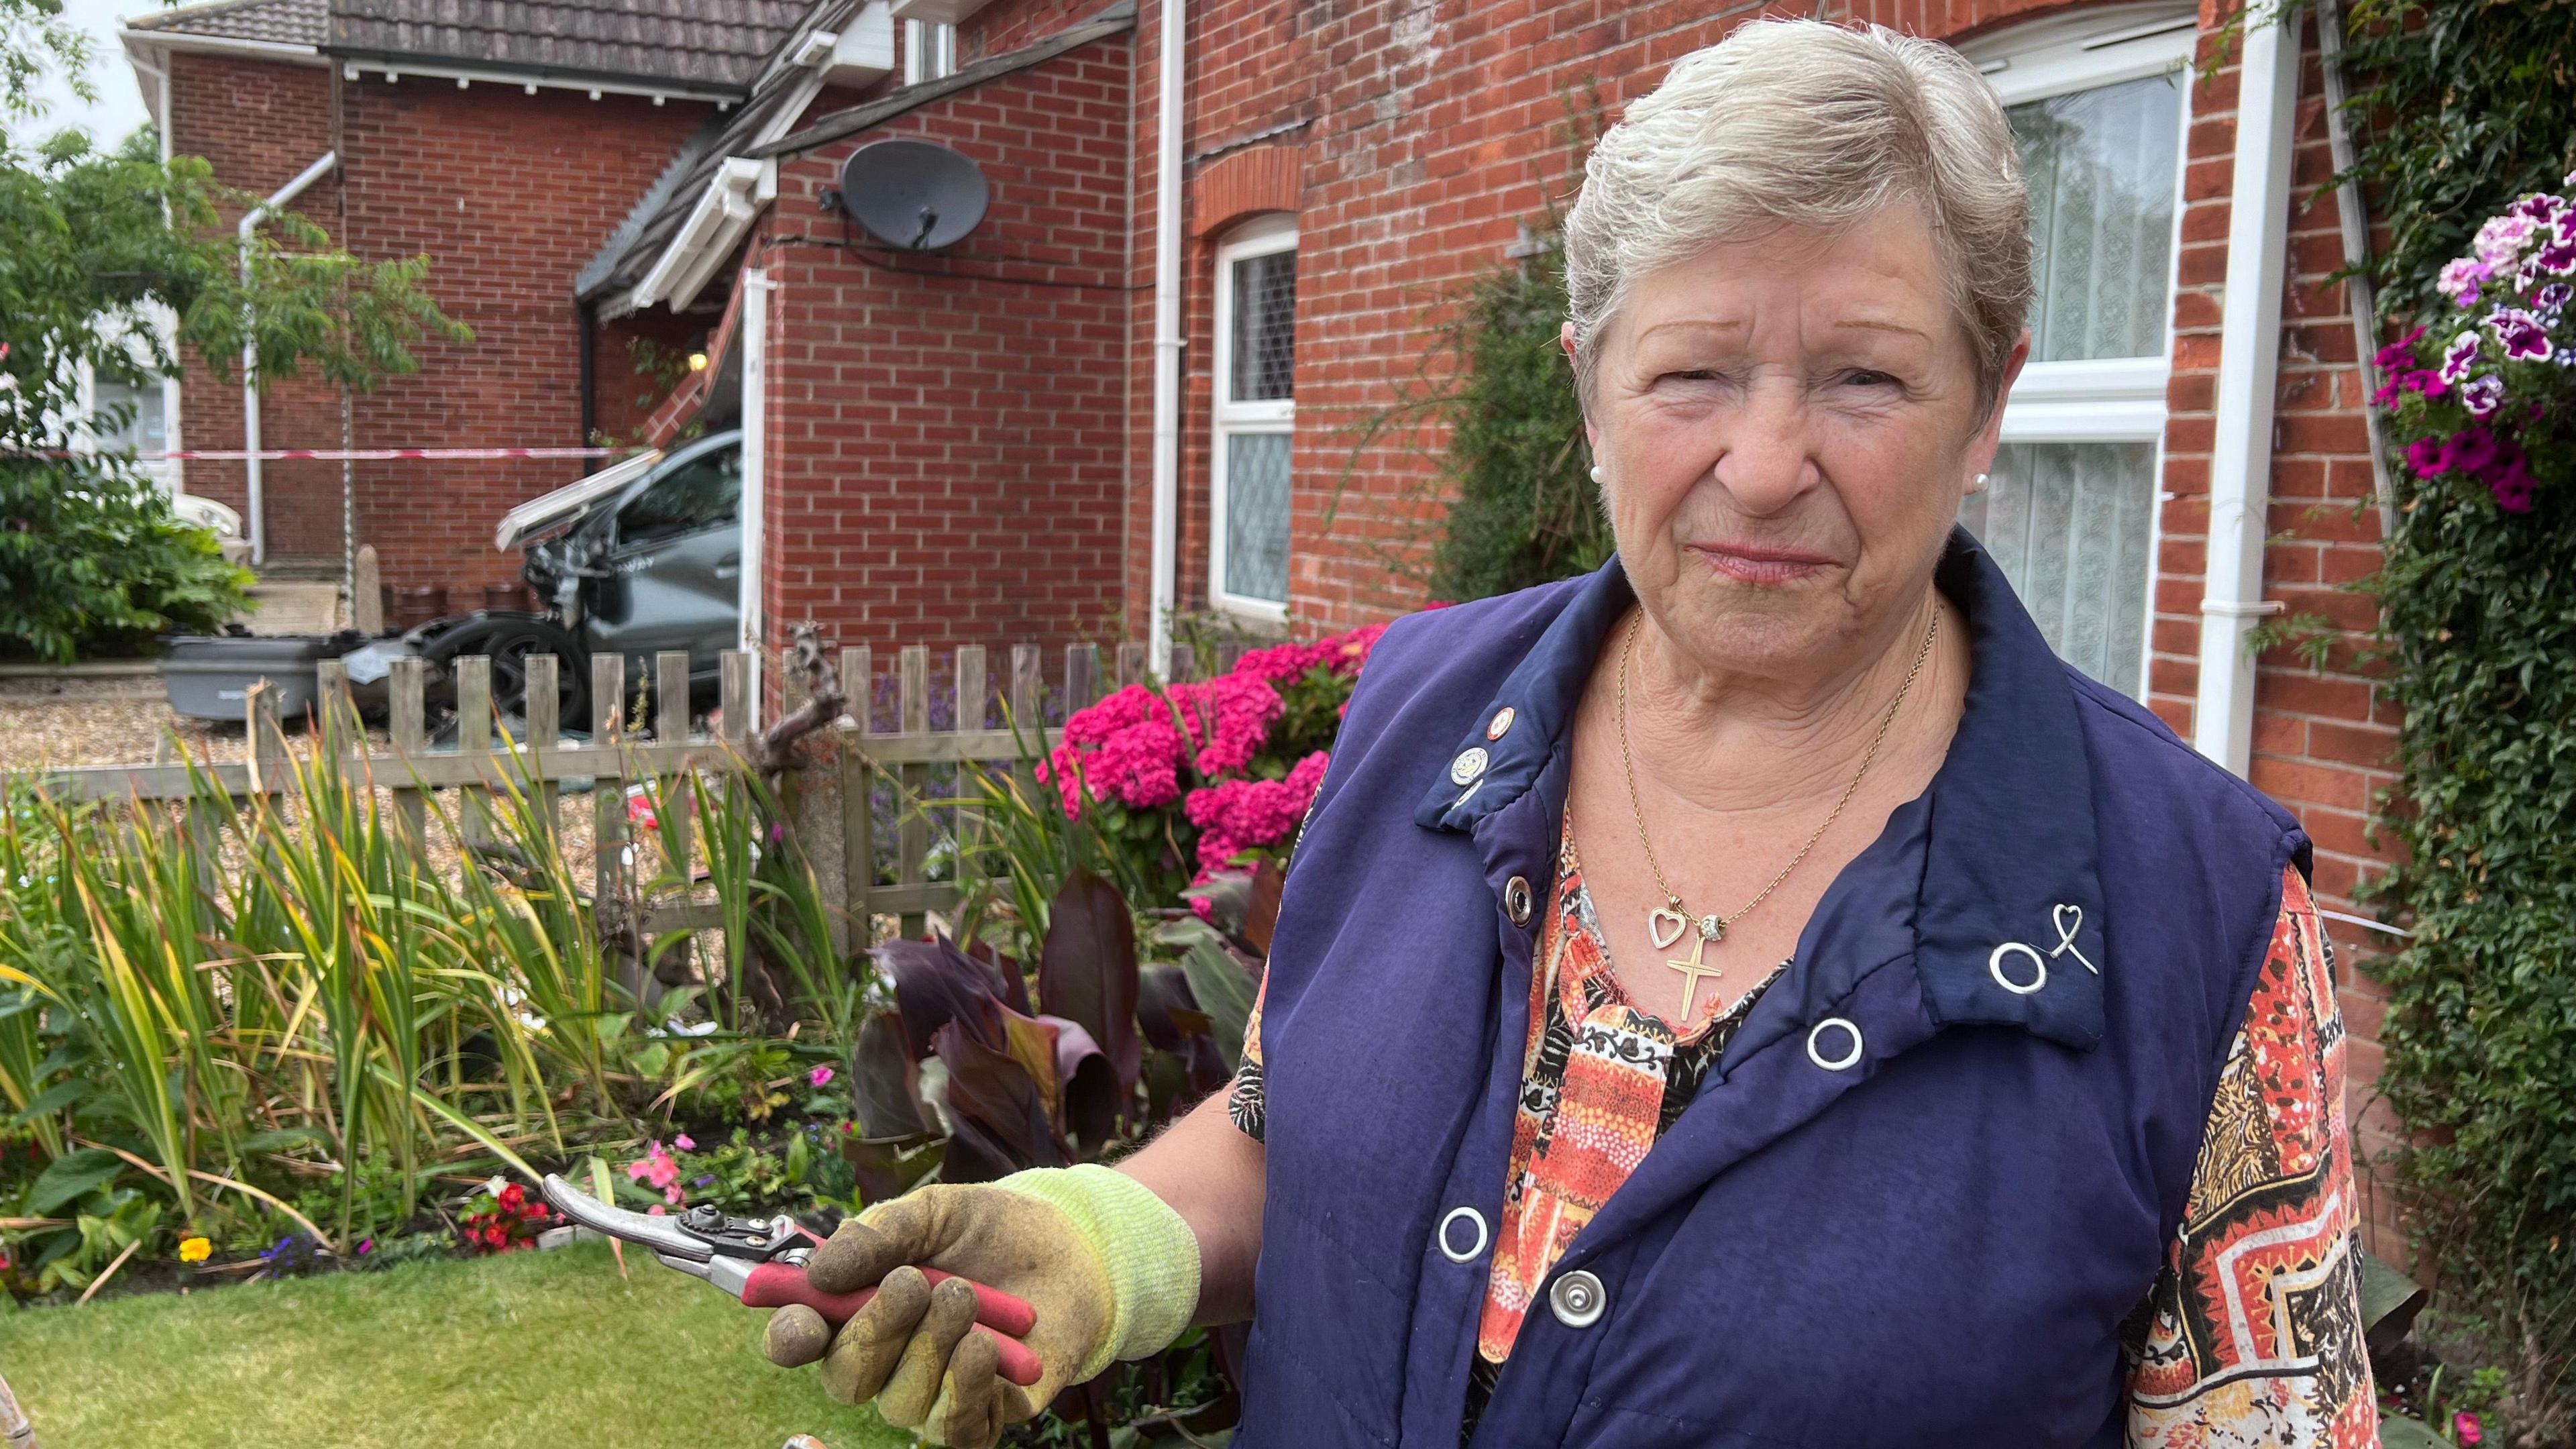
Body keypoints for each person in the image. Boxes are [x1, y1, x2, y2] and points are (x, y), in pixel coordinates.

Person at [759, 19, 2379, 1447]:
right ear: (1591, 388)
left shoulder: (2199, 919)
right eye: (1692, 373)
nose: (1762, 463)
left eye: (1867, 380)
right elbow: (1291, 1146)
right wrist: (1101, 1251)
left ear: (1988, 404)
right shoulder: (1421, 714)